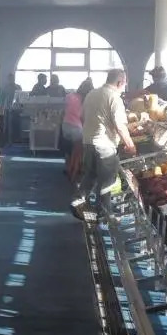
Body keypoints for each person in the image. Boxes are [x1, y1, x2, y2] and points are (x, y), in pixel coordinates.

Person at [71, 69, 136, 221]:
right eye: (124, 84)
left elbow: (82, 117)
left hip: (88, 142)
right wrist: (130, 145)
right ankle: (106, 214)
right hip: (105, 145)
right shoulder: (114, 98)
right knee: (107, 182)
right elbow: (120, 125)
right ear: (120, 82)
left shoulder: (91, 94)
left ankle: (78, 200)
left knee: (90, 175)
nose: (124, 88)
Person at [62, 78, 94, 182]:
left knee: (69, 149)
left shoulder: (69, 96)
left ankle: (68, 168)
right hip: (78, 128)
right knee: (78, 153)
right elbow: (85, 117)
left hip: (65, 126)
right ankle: (74, 171)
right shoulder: (87, 100)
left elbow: (64, 110)